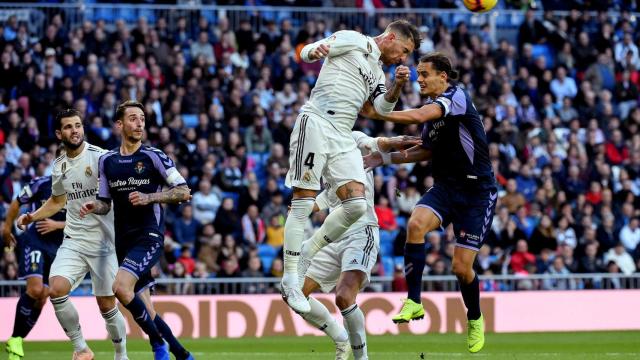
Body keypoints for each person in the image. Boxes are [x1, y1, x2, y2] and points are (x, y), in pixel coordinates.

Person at [361, 52, 497, 353]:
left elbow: (421, 115)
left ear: (443, 77)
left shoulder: (456, 96)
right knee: (415, 224)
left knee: (461, 269)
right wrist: (381, 158)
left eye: (424, 74)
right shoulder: (433, 116)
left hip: (477, 193)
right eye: (418, 74)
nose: (419, 80)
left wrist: (378, 114)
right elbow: (425, 150)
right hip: (447, 188)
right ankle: (413, 300)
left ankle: (474, 318)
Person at [282, 19, 421, 314]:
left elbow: (382, 110)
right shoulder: (352, 40)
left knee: (357, 205)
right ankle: (291, 277)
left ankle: (309, 249)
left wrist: (397, 85)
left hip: (343, 133)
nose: (403, 58)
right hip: (318, 120)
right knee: (303, 201)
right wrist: (315, 51)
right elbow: (307, 52)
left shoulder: (378, 71)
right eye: (404, 50)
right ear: (392, 37)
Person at [79, 100, 194, 360]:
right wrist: (92, 206)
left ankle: (157, 344)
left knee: (119, 287)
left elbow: (184, 191)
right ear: (119, 124)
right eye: (133, 118)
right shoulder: (107, 161)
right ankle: (182, 354)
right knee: (148, 309)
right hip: (124, 240)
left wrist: (150, 198)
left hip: (149, 235)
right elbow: (105, 203)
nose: (139, 123)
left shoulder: (154, 156)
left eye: (142, 118)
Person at [294, 131, 418, 360]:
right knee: (293, 292)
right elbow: (331, 194)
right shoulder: (321, 151)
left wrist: (391, 142)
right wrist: (309, 207)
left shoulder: (352, 137)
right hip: (333, 235)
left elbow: (375, 143)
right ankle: (341, 338)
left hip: (362, 231)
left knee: (343, 297)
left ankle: (362, 358)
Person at [16, 109, 128, 360]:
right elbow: (57, 201)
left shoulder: (100, 158)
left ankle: (121, 355)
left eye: (78, 125)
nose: (74, 130)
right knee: (56, 289)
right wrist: (32, 216)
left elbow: (120, 190)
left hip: (104, 244)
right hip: (74, 240)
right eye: (68, 127)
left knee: (107, 306)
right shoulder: (59, 166)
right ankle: (81, 349)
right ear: (59, 133)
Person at [3, 175, 65, 360]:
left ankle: (17, 339)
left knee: (43, 297)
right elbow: (16, 202)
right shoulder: (42, 183)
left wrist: (57, 224)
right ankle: (15, 340)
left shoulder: (79, 189)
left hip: (58, 249)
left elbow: (88, 221)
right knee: (36, 289)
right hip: (36, 241)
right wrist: (7, 229)